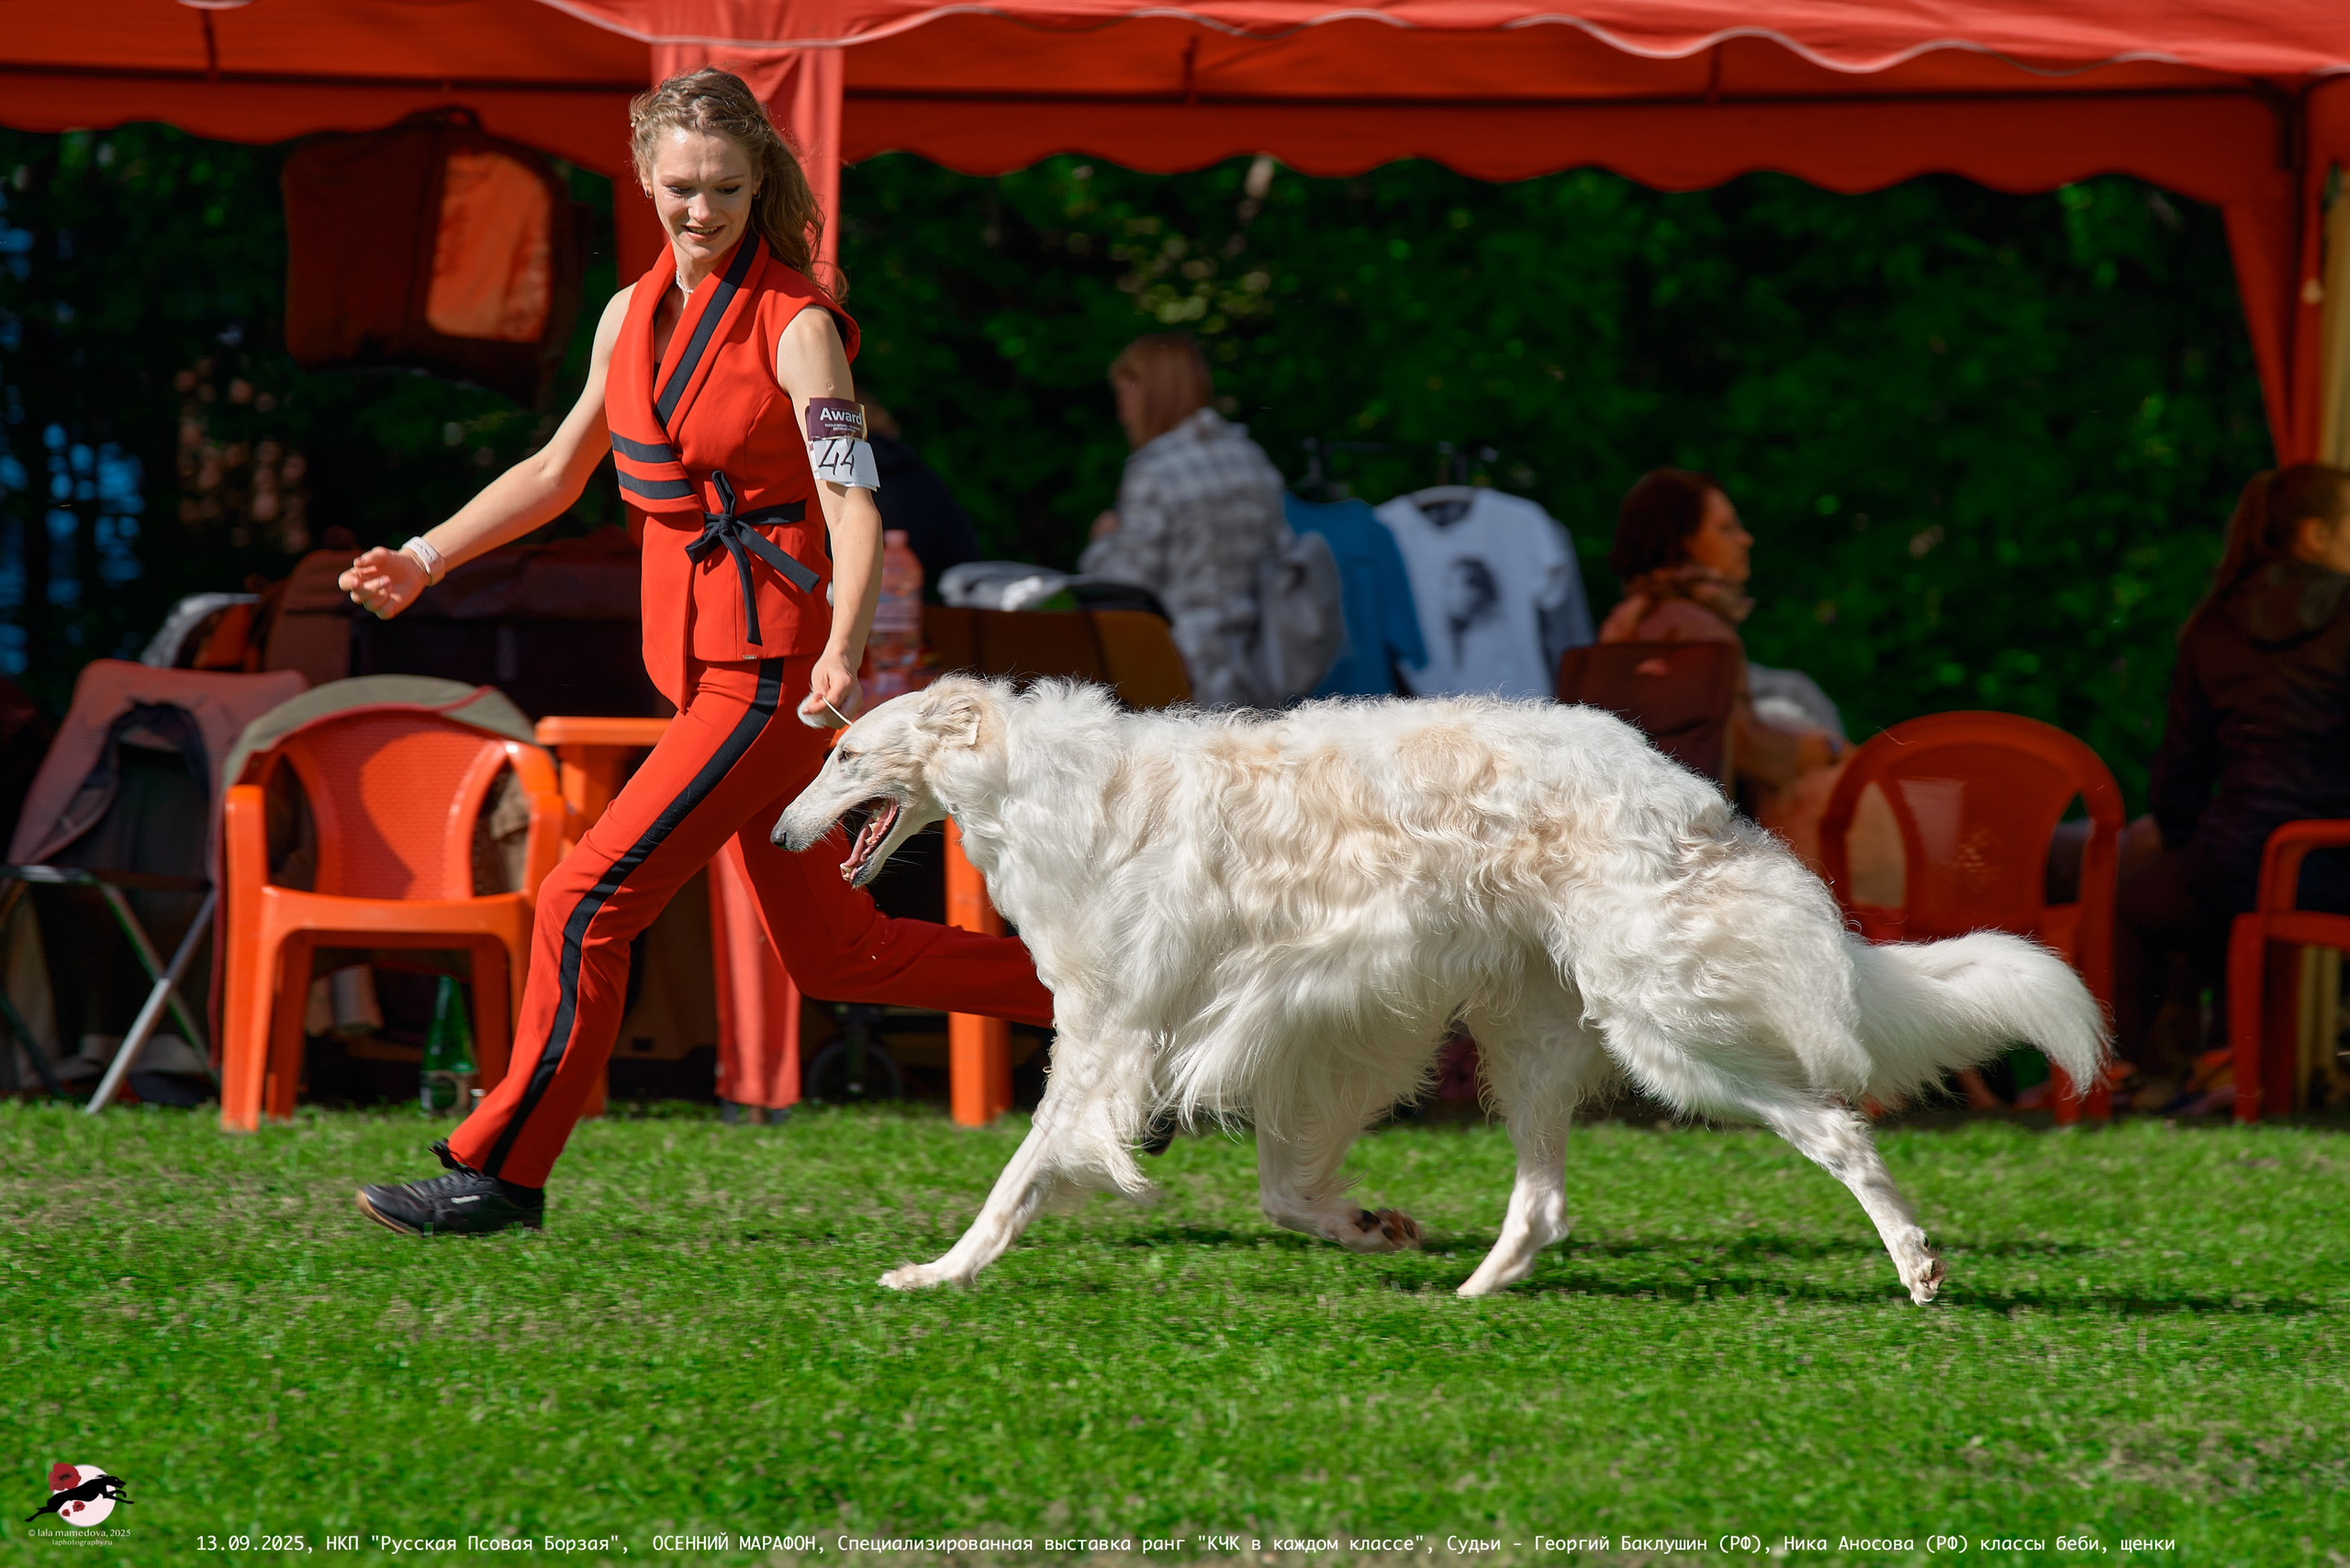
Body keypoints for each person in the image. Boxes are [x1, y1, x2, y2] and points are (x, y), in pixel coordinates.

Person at [341, 69, 1053, 1235]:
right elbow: (554, 473)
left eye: (725, 186)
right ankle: (1118, 1011)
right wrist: (423, 556)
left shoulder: (800, 325)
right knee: (841, 954)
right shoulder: (627, 316)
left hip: (772, 682)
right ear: (643, 178)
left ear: (759, 178)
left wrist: (842, 651)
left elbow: (857, 510)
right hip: (704, 681)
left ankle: (504, 1169)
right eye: (681, 187)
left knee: (581, 900)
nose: (702, 209)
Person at [2115, 463, 2350, 1081]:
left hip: (2236, 859)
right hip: (2334, 858)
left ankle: (2129, 1074)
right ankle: (2233, 1064)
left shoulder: (2213, 624)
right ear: (2315, 536)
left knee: (2131, 906)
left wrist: (2195, 839)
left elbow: (2178, 783)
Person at [1596, 468, 1842, 822]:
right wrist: (1830, 750)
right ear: (1683, 542)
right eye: (1726, 528)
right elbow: (1741, 745)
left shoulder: (1631, 620)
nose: (1745, 540)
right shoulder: (1696, 625)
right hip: (1695, 827)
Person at [1079, 333, 1289, 708]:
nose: (1121, 405)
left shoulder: (1155, 471)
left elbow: (1124, 585)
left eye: (1125, 390)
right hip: (1262, 665)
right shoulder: (1250, 457)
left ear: (1150, 391)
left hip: (1183, 674)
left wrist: (1105, 540)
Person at [864, 399, 981, 602]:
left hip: (832, 613)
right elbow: (965, 559)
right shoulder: (919, 475)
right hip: (911, 614)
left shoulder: (819, 476)